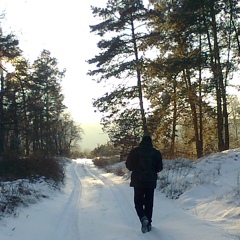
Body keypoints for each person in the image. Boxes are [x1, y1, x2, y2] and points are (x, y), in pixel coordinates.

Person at [125, 135, 163, 234]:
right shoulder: (156, 153)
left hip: (138, 181)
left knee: (138, 203)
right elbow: (160, 168)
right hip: (150, 181)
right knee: (149, 203)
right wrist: (152, 171)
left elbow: (128, 165)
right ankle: (149, 224)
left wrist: (136, 169)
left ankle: (143, 218)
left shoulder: (135, 151)